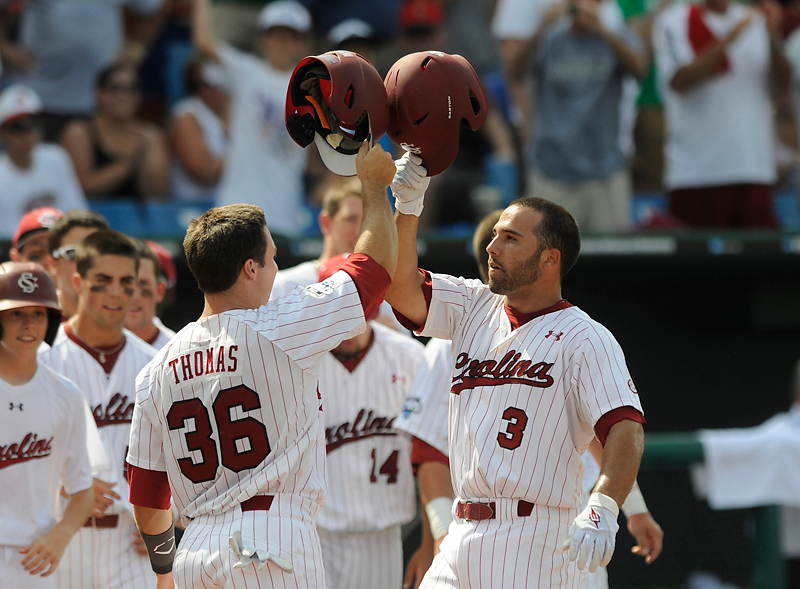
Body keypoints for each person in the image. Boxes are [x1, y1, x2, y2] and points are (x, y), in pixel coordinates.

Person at [125, 142, 398, 589]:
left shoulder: (156, 368)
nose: (275, 267)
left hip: (195, 550)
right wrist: (373, 188)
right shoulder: (280, 324)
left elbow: (148, 495)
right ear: (250, 268)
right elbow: (375, 270)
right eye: (271, 258)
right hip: (271, 541)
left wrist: (162, 571)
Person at [385, 153, 646, 587]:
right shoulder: (471, 304)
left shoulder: (585, 337)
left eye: (510, 238)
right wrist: (408, 205)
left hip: (535, 538)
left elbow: (626, 428)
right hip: (461, 532)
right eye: (494, 236)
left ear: (550, 259)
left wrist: (605, 506)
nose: (491, 246)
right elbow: (398, 287)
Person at [39, 229, 158, 589]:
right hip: (64, 538)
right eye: (102, 281)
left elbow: (180, 454)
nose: (115, 293)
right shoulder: (45, 362)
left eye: (126, 283)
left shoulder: (154, 365)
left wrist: (172, 517)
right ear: (77, 281)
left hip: (131, 542)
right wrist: (67, 480)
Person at [314, 254, 425, 589]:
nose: (348, 323)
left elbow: (434, 454)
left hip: (384, 534)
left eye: (358, 311)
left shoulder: (410, 358)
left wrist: (430, 539)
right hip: (314, 534)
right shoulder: (299, 364)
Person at [502, 0, 647, 233]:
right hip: (551, 171)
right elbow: (516, 72)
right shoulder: (549, 38)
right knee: (546, 257)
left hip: (605, 171)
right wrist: (540, 28)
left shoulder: (616, 37)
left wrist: (601, 29)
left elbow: (640, 69)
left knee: (613, 258)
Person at [653, 0, 790, 227]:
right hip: (697, 173)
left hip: (753, 168)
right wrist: (730, 38)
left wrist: (772, 38)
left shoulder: (755, 19)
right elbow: (680, 81)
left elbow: (783, 83)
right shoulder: (675, 20)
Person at [0, 262, 95, 587]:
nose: (29, 325)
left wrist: (62, 534)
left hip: (35, 561)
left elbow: (83, 489)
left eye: (38, 314)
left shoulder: (65, 394)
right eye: (17, 313)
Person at [193, 0, 313, 237]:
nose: (281, 42)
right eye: (275, 35)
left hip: (285, 214)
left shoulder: (312, 88)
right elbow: (204, 44)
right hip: (235, 208)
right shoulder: (246, 72)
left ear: (302, 43)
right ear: (263, 39)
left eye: (290, 36)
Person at [0, 0, 164, 143]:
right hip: (41, 98)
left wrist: (135, 51)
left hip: (97, 102)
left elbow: (157, 7)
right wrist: (5, 48)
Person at [270, 177, 406, 332]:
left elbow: (408, 353)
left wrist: (381, 334)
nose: (360, 231)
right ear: (326, 222)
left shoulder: (389, 295)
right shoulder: (284, 286)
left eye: (367, 221)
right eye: (350, 219)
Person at [60, 63, 170, 201]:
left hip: (134, 219)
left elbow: (158, 196)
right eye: (115, 88)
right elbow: (81, 188)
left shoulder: (150, 136)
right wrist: (128, 163)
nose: (124, 96)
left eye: (132, 88)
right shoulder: (79, 133)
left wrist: (146, 159)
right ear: (99, 94)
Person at [0, 85, 88, 239]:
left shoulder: (56, 157)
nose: (28, 133)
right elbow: (8, 236)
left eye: (34, 124)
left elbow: (78, 212)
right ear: (3, 132)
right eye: (18, 127)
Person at [169, 55, 229, 202]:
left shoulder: (239, 111)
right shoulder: (186, 114)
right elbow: (205, 173)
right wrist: (246, 149)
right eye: (204, 84)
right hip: (196, 208)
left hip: (235, 205)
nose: (212, 89)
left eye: (217, 82)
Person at [47, 210, 110, 320]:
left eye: (96, 253)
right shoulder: (36, 327)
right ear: (54, 264)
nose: (84, 262)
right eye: (73, 254)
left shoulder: (132, 321)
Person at [125, 241, 177, 349]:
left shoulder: (179, 350)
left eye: (143, 284)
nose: (135, 296)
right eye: (127, 283)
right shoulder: (91, 345)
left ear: (160, 290)